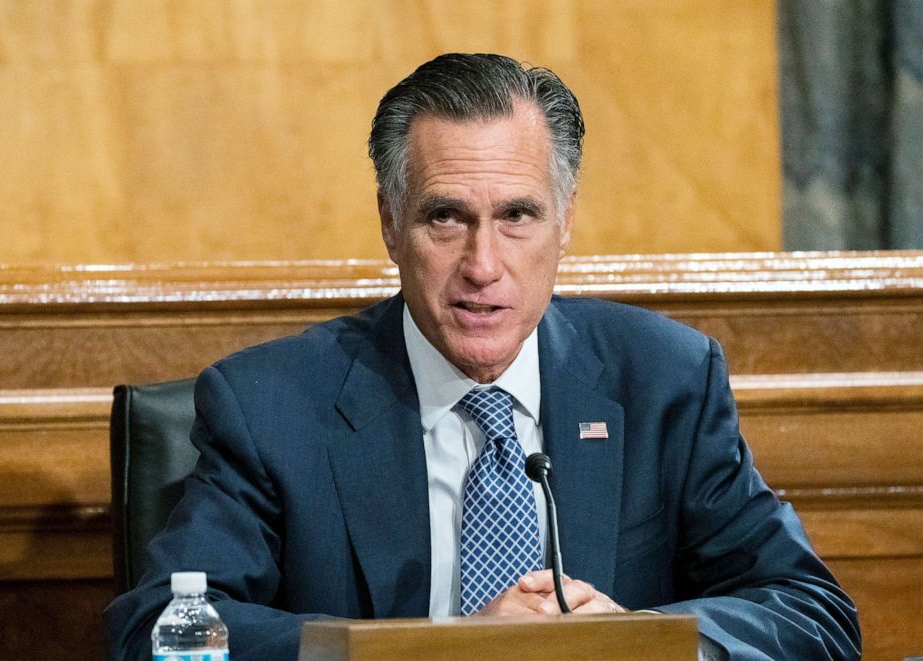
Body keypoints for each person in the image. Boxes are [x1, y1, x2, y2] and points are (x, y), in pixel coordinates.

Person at [105, 53, 861, 660]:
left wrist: (645, 643)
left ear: (564, 221)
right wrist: (440, 650)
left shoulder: (664, 380)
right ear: (391, 223)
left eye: (517, 215)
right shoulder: (272, 405)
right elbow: (159, 629)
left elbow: (811, 611)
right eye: (446, 217)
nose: (483, 263)